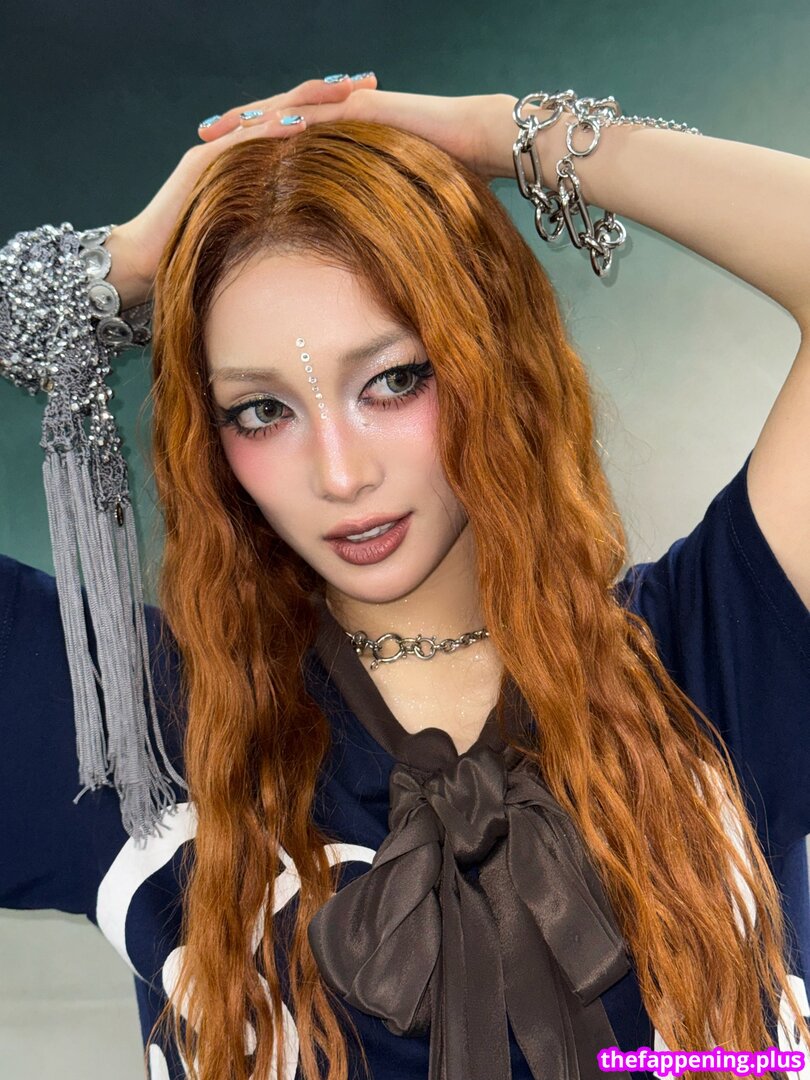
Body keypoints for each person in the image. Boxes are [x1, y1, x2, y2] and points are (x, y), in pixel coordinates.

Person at [1, 72, 809, 1080]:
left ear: (492, 360)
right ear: (208, 439)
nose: (342, 475)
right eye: (262, 411)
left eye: (393, 380)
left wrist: (498, 136)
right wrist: (113, 268)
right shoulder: (143, 734)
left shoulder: (709, 656)